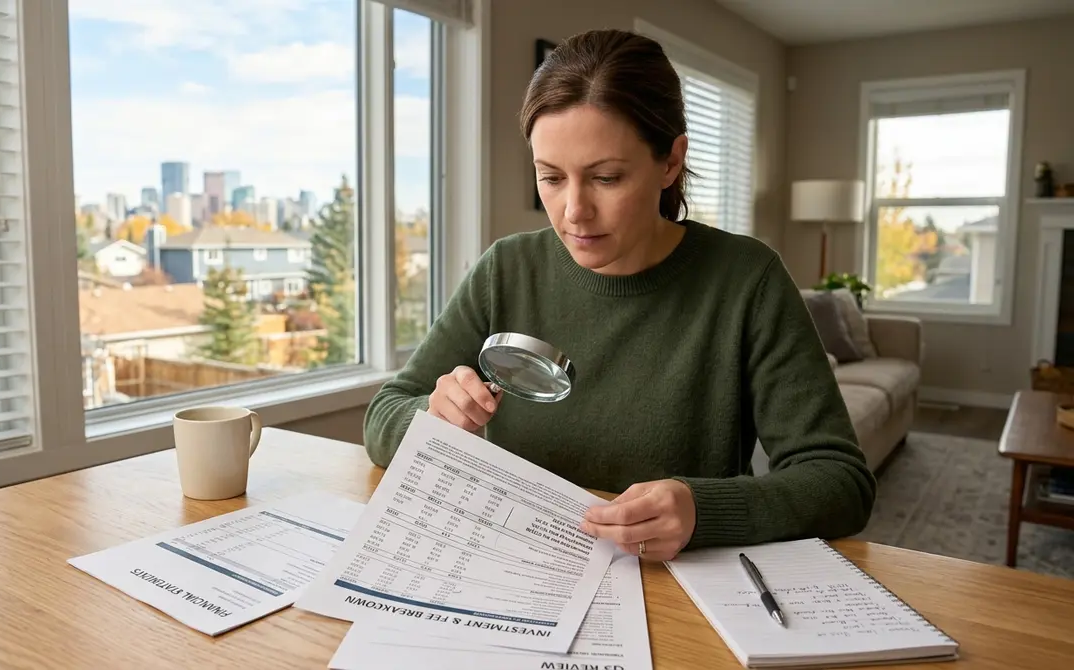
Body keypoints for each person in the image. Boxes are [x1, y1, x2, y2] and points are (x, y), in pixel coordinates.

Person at [363, 28, 875, 561]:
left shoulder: (748, 280)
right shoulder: (507, 269)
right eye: (551, 177)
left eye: (606, 178)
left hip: (674, 592)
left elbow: (841, 483)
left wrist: (702, 509)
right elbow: (382, 418)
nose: (573, 210)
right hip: (513, 568)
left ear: (671, 162)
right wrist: (433, 416)